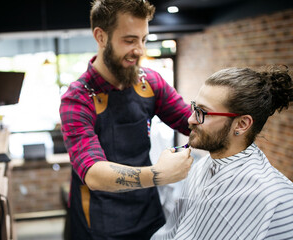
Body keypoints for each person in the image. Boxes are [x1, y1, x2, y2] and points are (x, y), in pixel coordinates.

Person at [59, 0, 194, 239]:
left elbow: (189, 122)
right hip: (100, 221)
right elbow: (93, 172)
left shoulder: (150, 82)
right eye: (129, 40)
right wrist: (159, 175)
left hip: (148, 212)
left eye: (143, 39)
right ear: (101, 37)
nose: (140, 50)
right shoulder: (77, 99)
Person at [152, 66, 293, 240]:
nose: (190, 119)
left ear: (241, 124)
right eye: (194, 108)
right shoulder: (202, 166)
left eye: (203, 112)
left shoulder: (268, 195)